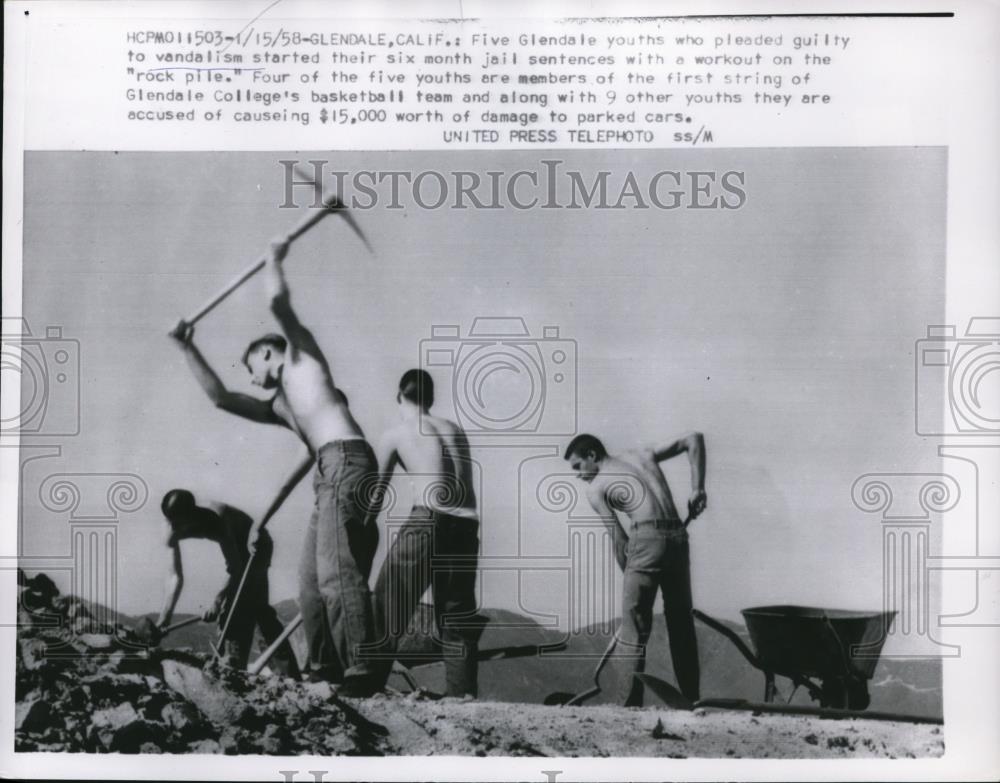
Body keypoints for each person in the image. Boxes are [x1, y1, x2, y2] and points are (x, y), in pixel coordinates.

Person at [169, 236, 379, 693]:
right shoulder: (279, 405)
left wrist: (273, 258)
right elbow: (221, 399)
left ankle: (364, 668)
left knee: (336, 570)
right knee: (309, 582)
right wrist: (187, 347)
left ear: (268, 353)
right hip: (329, 470)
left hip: (347, 457)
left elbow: (279, 302)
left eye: (251, 366)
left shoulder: (303, 359)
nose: (251, 377)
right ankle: (325, 669)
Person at [564, 431, 707, 706]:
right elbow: (693, 439)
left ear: (592, 456)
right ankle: (691, 702)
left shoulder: (596, 489)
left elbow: (620, 542)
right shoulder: (641, 454)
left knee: (633, 627)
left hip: (646, 540)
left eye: (578, 467)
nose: (578, 475)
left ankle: (628, 707)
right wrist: (698, 488)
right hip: (678, 536)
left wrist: (630, 580)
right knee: (681, 625)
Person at [364, 369, 481, 697]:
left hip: (429, 520)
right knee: (456, 617)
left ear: (398, 397)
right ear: (430, 399)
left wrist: (358, 529)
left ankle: (365, 686)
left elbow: (375, 496)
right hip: (467, 524)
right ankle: (463, 696)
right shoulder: (454, 429)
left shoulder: (397, 432)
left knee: (388, 605)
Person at [155, 488, 300, 677]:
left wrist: (216, 602)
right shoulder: (170, 527)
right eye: (173, 523)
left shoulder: (217, 519)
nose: (177, 528)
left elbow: (235, 568)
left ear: (193, 515)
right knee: (238, 610)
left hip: (257, 543)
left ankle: (285, 675)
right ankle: (234, 669)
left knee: (250, 609)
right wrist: (164, 619)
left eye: (182, 523)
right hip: (237, 555)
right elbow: (174, 576)